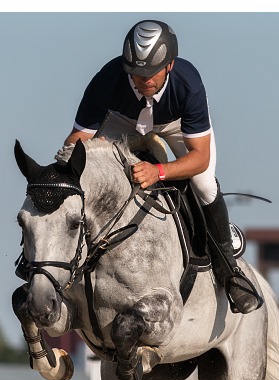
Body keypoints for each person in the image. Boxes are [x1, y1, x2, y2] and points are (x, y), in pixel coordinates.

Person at [61, 20, 263, 314]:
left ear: (169, 65)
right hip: (123, 120)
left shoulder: (188, 84)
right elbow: (78, 138)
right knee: (88, 170)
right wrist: (65, 165)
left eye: (150, 73)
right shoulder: (106, 79)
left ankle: (229, 272)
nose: (143, 81)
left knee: (204, 183)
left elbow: (200, 158)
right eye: (136, 73)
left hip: (174, 124)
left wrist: (159, 172)